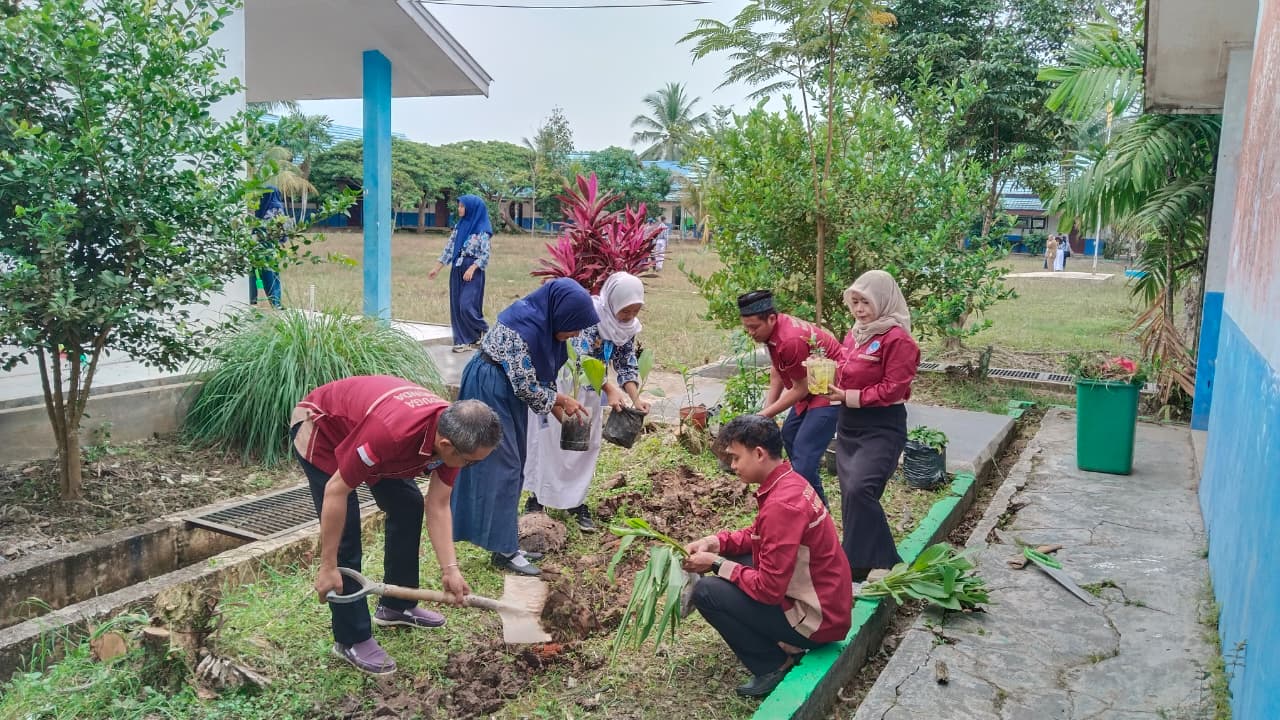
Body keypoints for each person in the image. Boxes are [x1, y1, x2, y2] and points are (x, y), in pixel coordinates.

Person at [292, 376, 502, 676]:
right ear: (445, 445)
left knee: (408, 504)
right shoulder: (392, 434)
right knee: (346, 536)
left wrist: (450, 569)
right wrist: (327, 566)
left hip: (368, 432)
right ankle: (351, 638)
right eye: (471, 462)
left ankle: (397, 605)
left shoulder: (453, 435)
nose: (472, 467)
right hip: (323, 428)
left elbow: (438, 504)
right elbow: (337, 490)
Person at [682, 414, 852, 698]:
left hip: (819, 619)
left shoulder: (782, 505)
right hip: (828, 601)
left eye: (736, 458)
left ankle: (774, 664)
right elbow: (758, 535)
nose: (733, 466)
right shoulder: (789, 481)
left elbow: (769, 590)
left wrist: (715, 563)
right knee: (736, 564)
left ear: (759, 453)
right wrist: (716, 543)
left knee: (707, 591)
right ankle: (783, 641)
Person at [451, 278, 599, 575]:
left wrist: (564, 416)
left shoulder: (541, 321)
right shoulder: (525, 330)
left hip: (505, 390)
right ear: (561, 314)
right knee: (503, 466)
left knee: (514, 464)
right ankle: (504, 551)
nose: (577, 333)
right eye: (574, 325)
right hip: (491, 388)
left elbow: (537, 384)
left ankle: (504, 544)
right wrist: (561, 400)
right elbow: (528, 387)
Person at [523, 273, 650, 531]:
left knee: (584, 446)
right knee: (551, 442)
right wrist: (610, 388)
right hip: (566, 385)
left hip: (590, 391)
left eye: (636, 310)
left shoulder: (627, 328)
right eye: (626, 310)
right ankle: (537, 498)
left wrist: (635, 398)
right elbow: (580, 357)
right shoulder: (590, 315)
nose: (630, 315)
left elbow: (626, 363)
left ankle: (574, 501)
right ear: (613, 301)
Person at [825, 270, 920, 582]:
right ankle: (854, 563)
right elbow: (846, 370)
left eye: (865, 301)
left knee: (860, 488)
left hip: (881, 425)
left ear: (882, 300)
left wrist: (848, 396)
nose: (859, 309)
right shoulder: (855, 335)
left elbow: (894, 388)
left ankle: (886, 560)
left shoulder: (897, 340)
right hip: (849, 424)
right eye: (854, 302)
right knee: (849, 493)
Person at [736, 290, 843, 506]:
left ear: (771, 318)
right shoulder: (773, 332)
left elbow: (799, 389)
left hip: (830, 388)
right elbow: (778, 370)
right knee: (789, 435)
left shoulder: (790, 340)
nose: (750, 332)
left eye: (754, 327)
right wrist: (766, 413)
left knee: (804, 458)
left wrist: (762, 415)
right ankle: (801, 497)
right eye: (746, 327)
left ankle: (818, 512)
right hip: (810, 385)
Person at [428, 194, 492, 352]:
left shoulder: (482, 230)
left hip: (473, 270)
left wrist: (473, 268)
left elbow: (485, 254)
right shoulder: (459, 227)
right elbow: (449, 248)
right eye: (459, 206)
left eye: (462, 206)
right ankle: (464, 340)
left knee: (466, 305)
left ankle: (484, 328)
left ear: (472, 209)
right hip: (457, 268)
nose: (459, 209)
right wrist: (437, 268)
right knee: (456, 306)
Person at [249, 185, 287, 308]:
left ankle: (251, 299)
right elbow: (281, 227)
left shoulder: (261, 206)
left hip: (255, 243)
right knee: (271, 272)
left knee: (253, 272)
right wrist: (282, 239)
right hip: (270, 245)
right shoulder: (277, 207)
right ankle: (275, 302)